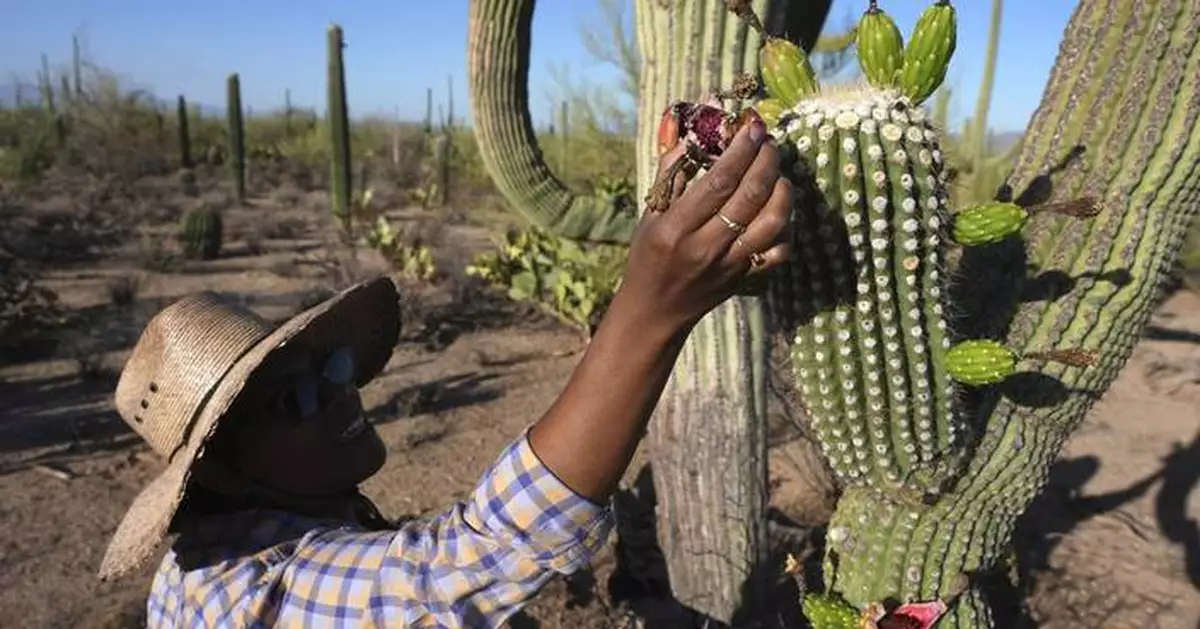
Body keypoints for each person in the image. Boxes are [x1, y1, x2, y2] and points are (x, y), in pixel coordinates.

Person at [97, 112, 793, 628]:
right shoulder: (245, 594)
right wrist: (652, 307)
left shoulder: (269, 536)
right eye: (294, 399)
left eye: (332, 366)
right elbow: (465, 564)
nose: (342, 392)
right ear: (219, 470)